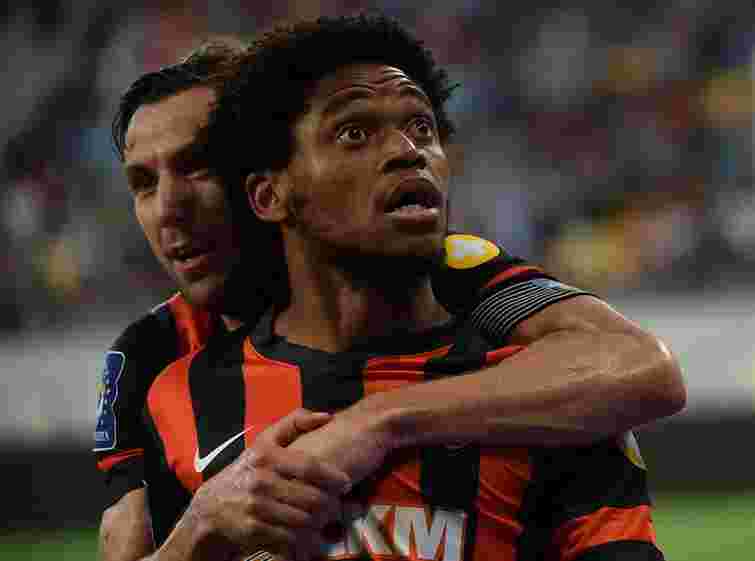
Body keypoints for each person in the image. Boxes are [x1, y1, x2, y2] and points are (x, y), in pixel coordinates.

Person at [96, 22, 685, 561]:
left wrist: (376, 420)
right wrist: (199, 531)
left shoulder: (502, 332)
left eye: (200, 165)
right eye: (143, 182)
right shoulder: (154, 365)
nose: (170, 208)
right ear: (267, 191)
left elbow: (641, 366)